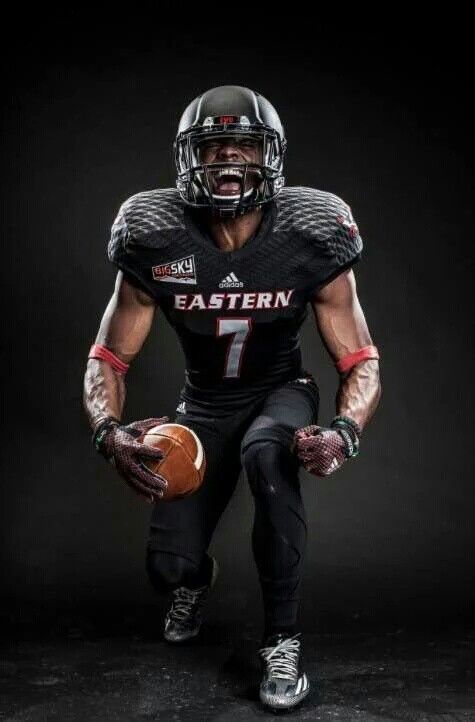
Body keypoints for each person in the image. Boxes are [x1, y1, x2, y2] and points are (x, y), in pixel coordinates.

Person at [83, 85, 381, 711]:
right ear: (186, 157)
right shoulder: (154, 232)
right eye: (212, 146)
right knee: (166, 566)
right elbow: (108, 356)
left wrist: (345, 432)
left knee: (267, 455)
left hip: (281, 391)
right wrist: (109, 431)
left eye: (242, 145)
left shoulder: (310, 229)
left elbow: (359, 358)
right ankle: (196, 581)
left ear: (269, 155)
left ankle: (283, 643)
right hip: (203, 405)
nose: (226, 161)